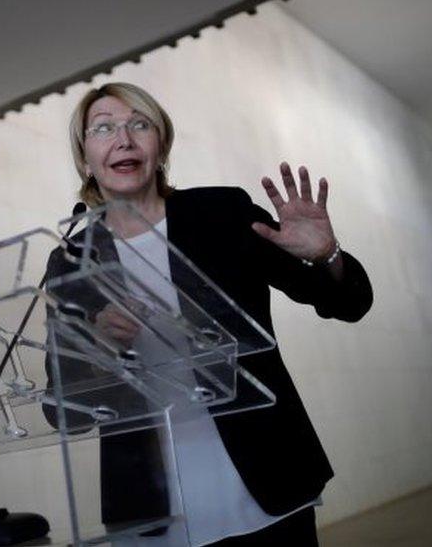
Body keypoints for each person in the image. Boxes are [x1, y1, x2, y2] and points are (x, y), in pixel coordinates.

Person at [43, 82, 373, 546]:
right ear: (84, 158)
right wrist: (96, 346)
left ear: (161, 146)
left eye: (140, 124)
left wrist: (327, 255)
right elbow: (62, 411)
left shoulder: (222, 213)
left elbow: (346, 304)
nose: (124, 139)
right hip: (150, 507)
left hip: (263, 479)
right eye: (103, 129)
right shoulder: (73, 259)